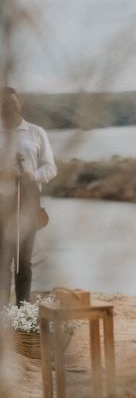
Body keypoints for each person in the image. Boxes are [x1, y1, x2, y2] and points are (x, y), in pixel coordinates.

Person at [0, 87, 57, 307]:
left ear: (19, 104)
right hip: (2, 206)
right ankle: (3, 318)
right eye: (5, 105)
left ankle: (22, 316)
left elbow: (51, 168)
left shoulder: (36, 132)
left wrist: (32, 175)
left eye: (13, 104)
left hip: (28, 205)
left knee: (24, 263)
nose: (10, 108)